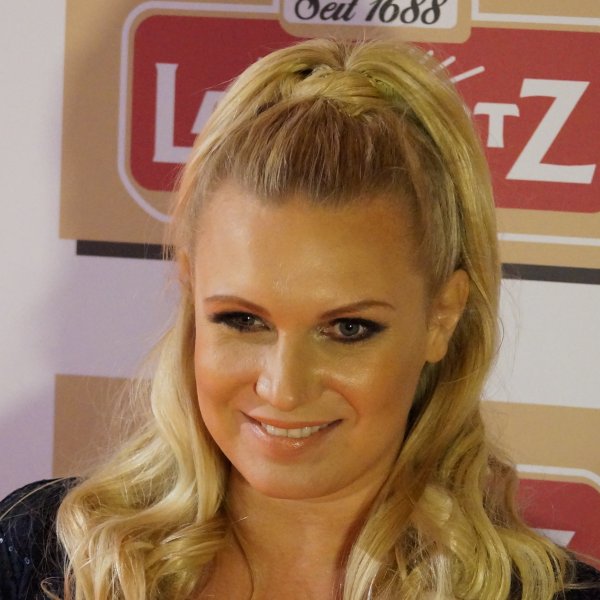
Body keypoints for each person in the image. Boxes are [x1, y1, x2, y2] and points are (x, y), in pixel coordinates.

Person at [1, 38, 599, 600]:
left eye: (348, 329)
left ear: (442, 317)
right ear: (190, 292)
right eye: (243, 320)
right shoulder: (45, 556)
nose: (283, 389)